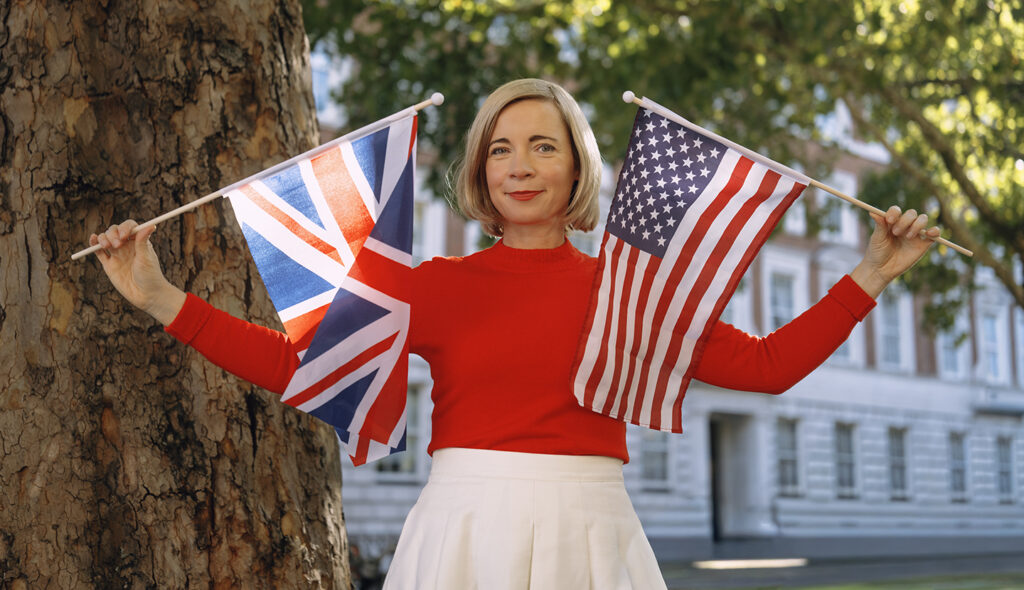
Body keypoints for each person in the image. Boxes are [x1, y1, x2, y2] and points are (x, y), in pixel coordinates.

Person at [90, 78, 940, 589]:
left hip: (593, 531)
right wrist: (165, 298)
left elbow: (765, 368)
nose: (521, 166)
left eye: (543, 146)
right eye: (502, 149)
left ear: (578, 166)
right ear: (480, 171)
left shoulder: (631, 288)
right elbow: (308, 367)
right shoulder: (438, 288)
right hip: (465, 527)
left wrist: (870, 275)